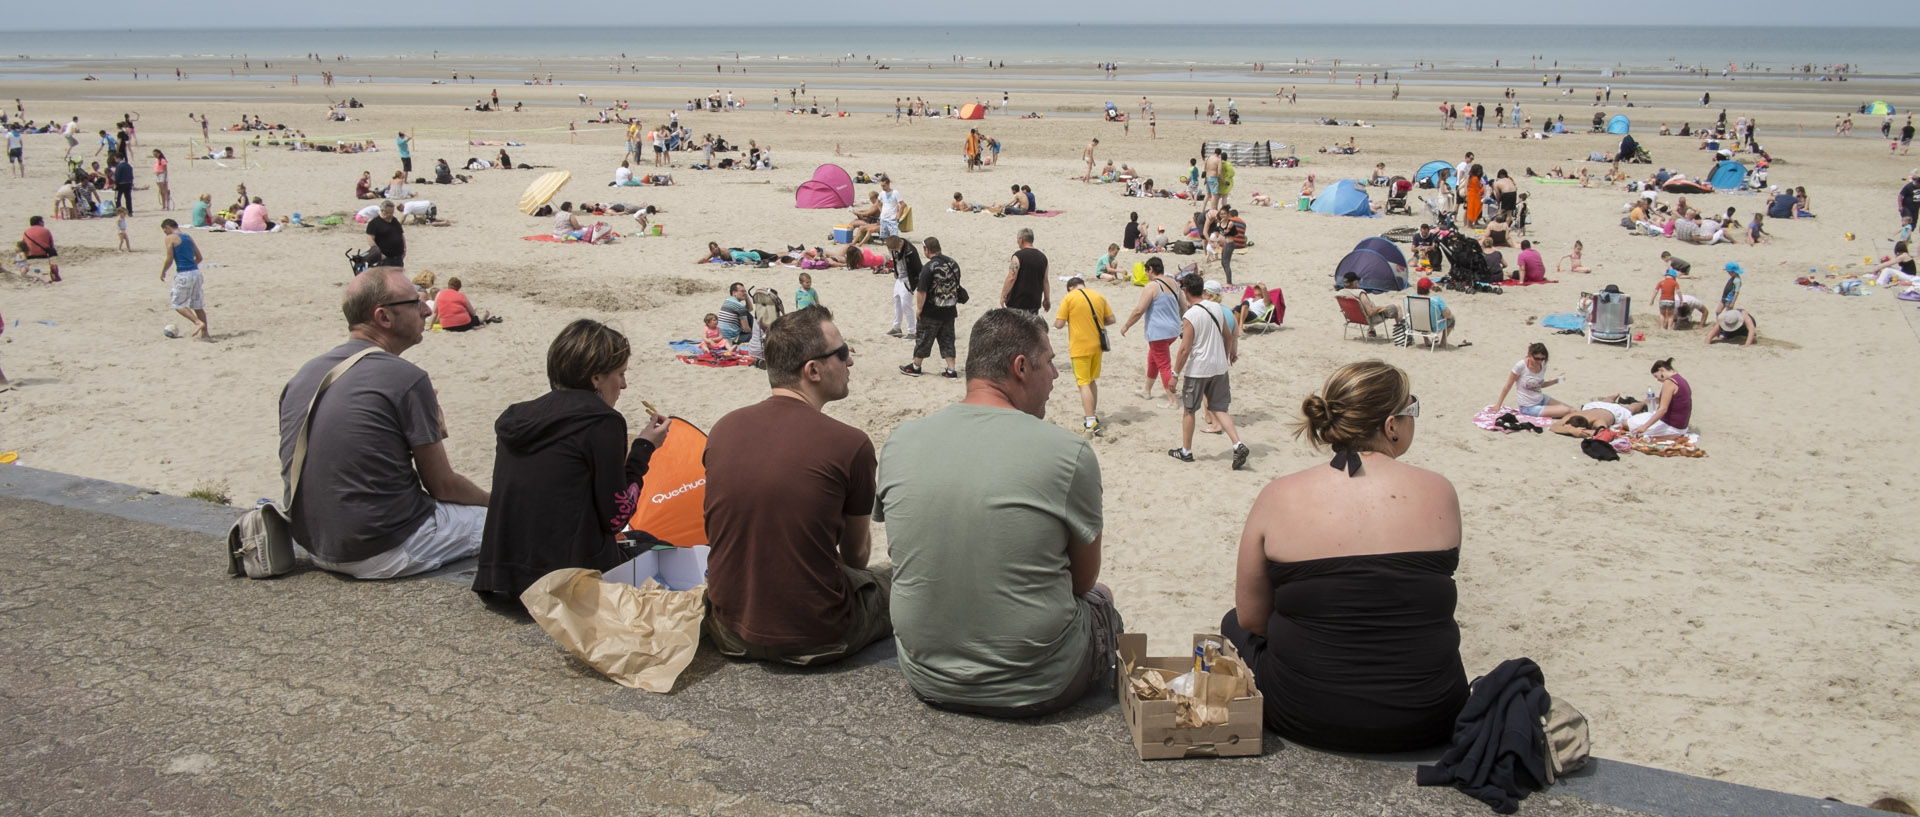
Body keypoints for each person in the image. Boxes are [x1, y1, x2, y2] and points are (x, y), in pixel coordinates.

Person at [878, 308, 1121, 717]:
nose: (1057, 376)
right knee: (1102, 599)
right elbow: (1082, 582)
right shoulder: (1069, 453)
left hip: (927, 674)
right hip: (1040, 682)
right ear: (1021, 367)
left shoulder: (901, 440)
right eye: (1050, 362)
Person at [1222, 360, 1466, 751]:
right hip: (1432, 715)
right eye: (1411, 409)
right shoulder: (1440, 492)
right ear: (1390, 425)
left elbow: (1252, 617)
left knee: (1233, 622)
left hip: (1305, 716)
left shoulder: (1278, 495)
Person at [703, 305, 891, 666]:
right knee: (902, 579)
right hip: (818, 636)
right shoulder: (850, 445)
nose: (849, 362)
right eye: (843, 353)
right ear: (813, 370)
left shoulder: (724, 428)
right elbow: (856, 557)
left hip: (729, 629)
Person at [277, 268, 490, 579]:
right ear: (384, 318)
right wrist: (494, 503)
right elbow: (443, 485)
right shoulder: (406, 378)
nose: (426, 309)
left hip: (316, 543)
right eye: (415, 303)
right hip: (379, 548)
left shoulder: (306, 374)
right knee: (506, 520)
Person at [472, 320, 671, 603]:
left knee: (639, 540)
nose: (624, 385)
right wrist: (643, 450)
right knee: (660, 548)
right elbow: (616, 517)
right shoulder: (602, 421)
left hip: (502, 580)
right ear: (596, 379)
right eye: (620, 374)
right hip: (566, 583)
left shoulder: (515, 417)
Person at [1171, 274, 1249, 468]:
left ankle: (1186, 451)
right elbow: (1228, 335)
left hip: (1198, 368)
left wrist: (1174, 374)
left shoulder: (1190, 314)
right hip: (1218, 366)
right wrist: (1224, 356)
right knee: (1219, 407)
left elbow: (1184, 348)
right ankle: (1237, 443)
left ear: (1186, 291)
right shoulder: (1216, 307)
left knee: (1189, 409)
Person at [1054, 276, 1116, 436]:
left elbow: (1059, 324)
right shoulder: (1098, 295)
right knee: (1092, 380)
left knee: (1083, 383)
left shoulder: (1069, 298)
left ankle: (1090, 420)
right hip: (1097, 346)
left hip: (1079, 346)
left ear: (1069, 288)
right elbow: (1111, 319)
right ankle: (1093, 414)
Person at [1120, 256, 1183, 409]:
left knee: (1164, 365)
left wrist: (1126, 325)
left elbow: (1139, 310)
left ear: (1151, 270)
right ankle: (1147, 390)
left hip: (1159, 333)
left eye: (1147, 271)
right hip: (1173, 331)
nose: (1146, 275)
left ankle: (1172, 400)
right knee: (1153, 358)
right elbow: (1184, 306)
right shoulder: (1174, 283)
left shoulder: (1152, 286)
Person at [900, 236, 961, 379]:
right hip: (949, 309)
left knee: (924, 339)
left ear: (927, 250)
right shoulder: (953, 263)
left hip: (931, 311)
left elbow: (922, 291)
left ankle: (916, 366)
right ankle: (951, 369)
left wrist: (919, 309)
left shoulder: (929, 267)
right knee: (948, 339)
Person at [1492, 342, 1571, 418]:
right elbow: (1508, 386)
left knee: (1572, 410)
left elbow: (1539, 384)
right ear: (1530, 355)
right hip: (1528, 407)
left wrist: (1556, 381)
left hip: (1541, 399)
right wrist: (1498, 405)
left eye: (1542, 358)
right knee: (1567, 411)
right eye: (1537, 358)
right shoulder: (1521, 366)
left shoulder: (1543, 365)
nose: (1539, 361)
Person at [159, 219, 208, 340]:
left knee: (177, 303)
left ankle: (197, 322)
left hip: (183, 274)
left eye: (164, 230)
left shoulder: (170, 238)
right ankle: (205, 334)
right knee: (198, 305)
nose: (165, 233)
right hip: (196, 273)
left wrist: (163, 271)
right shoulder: (188, 237)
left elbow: (169, 258)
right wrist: (192, 265)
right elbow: (199, 257)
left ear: (167, 227)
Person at [1627, 358, 1692, 439]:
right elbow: (1675, 401)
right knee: (1636, 419)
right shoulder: (1680, 379)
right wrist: (1656, 400)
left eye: (1656, 376)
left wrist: (1645, 427)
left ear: (1661, 370)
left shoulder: (1669, 382)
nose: (1658, 379)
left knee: (1627, 424)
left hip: (1672, 426)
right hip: (1680, 425)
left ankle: (1670, 435)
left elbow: (1663, 409)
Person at [1001, 227, 1050, 315]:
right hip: (1034, 302)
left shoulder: (1018, 256)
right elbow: (1045, 281)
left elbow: (1011, 277)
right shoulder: (1043, 257)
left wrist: (1003, 295)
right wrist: (1047, 299)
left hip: (1017, 303)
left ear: (1021, 239)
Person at [1337, 272, 1401, 330]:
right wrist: (1380, 307)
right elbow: (1370, 312)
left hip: (1354, 318)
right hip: (1370, 319)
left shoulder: (1340, 293)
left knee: (1369, 306)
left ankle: (1371, 330)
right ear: (1354, 283)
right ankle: (1401, 332)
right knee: (1397, 307)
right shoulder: (1360, 293)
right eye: (1357, 282)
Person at [886, 234, 920, 339]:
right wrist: (895, 272)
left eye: (895, 248)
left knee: (906, 305)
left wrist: (915, 283)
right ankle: (897, 328)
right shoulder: (895, 248)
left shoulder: (910, 251)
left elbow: (918, 268)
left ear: (900, 243)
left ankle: (912, 331)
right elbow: (896, 261)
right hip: (900, 278)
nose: (895, 250)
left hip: (908, 280)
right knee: (896, 301)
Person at [1412, 278, 1458, 346]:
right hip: (1434, 327)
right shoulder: (1435, 300)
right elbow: (1448, 315)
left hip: (1417, 325)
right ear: (1429, 288)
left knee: (1422, 316)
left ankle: (1426, 340)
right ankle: (1443, 342)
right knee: (1452, 319)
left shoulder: (1411, 298)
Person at [366, 200, 407, 266]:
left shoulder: (394, 220)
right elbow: (370, 239)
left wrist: (404, 249)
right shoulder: (374, 223)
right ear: (382, 211)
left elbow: (401, 234)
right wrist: (379, 254)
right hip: (385, 258)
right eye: (388, 213)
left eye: (392, 213)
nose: (390, 215)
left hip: (398, 257)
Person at [21, 216, 59, 283]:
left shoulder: (26, 232)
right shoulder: (46, 231)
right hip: (43, 255)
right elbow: (51, 244)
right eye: (42, 221)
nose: (43, 223)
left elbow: (23, 245)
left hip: (29, 256)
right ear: (39, 222)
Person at [876, 174, 904, 240]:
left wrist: (899, 215)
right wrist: (881, 211)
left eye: (884, 186)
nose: (883, 187)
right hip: (883, 218)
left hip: (892, 219)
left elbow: (902, 204)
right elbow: (877, 202)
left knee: (894, 238)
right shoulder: (882, 193)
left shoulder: (895, 192)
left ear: (888, 184)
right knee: (885, 238)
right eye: (881, 186)